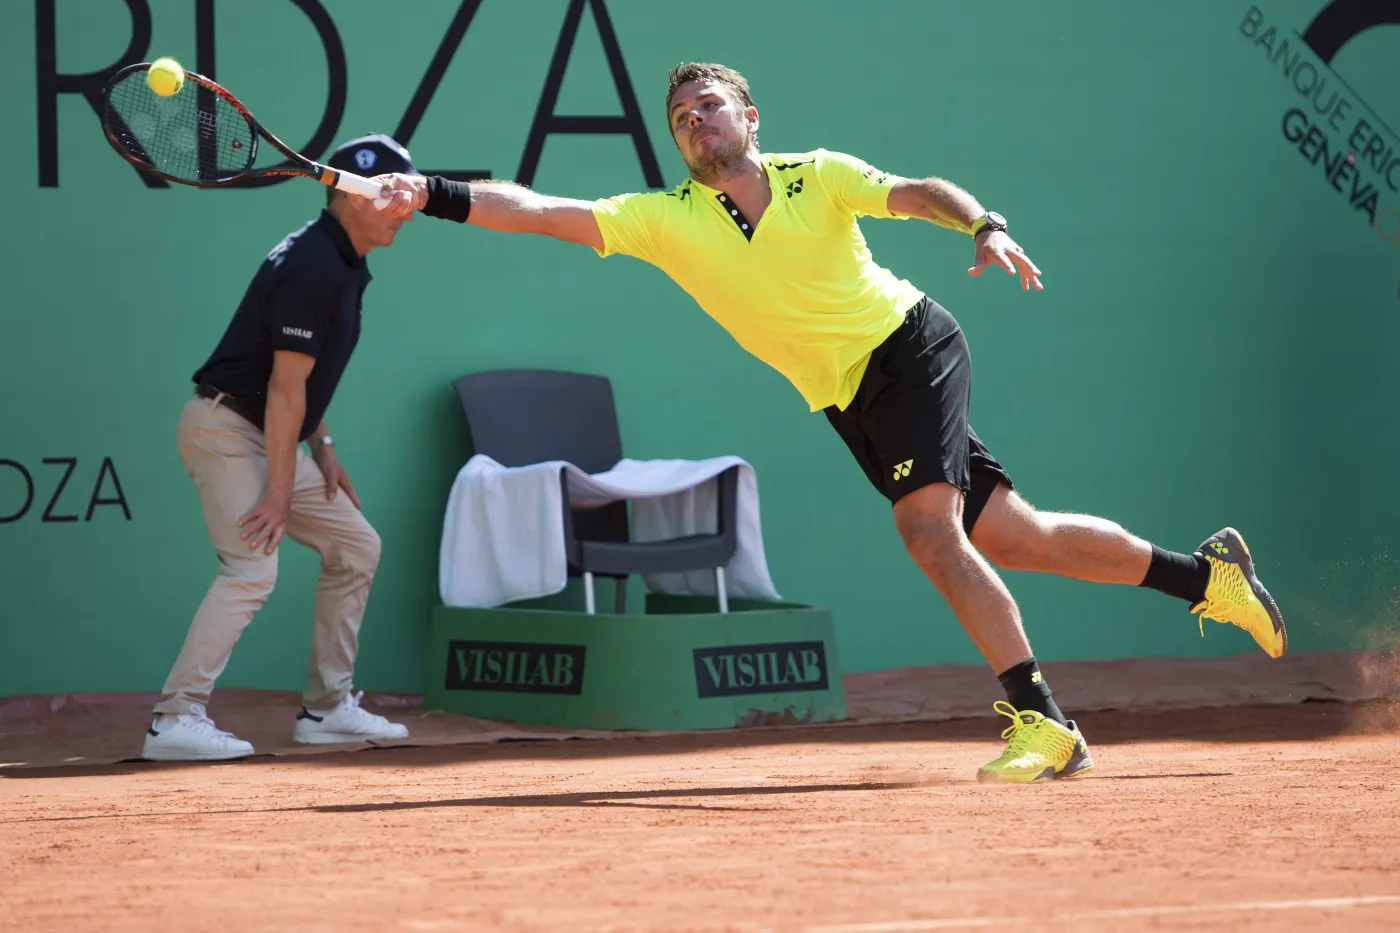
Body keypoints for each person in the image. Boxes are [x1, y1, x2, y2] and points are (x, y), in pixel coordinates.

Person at [370, 64, 1287, 783]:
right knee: (1015, 534)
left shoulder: (822, 176)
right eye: (682, 118)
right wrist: (433, 193)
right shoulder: (662, 219)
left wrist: (982, 224)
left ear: (750, 118)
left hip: (910, 344)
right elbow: (538, 211)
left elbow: (921, 191)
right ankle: (1206, 577)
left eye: (710, 106)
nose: (696, 122)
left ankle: (1046, 721)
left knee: (926, 529)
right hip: (848, 397)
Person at [142, 133, 416, 761]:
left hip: (274, 432)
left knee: (356, 546)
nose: (406, 206)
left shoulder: (341, 260)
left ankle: (326, 710)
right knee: (251, 569)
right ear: (353, 196)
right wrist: (277, 490)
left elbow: (303, 384)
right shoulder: (311, 265)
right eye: (392, 194)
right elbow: (283, 384)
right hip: (229, 429)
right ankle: (173, 719)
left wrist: (323, 442)